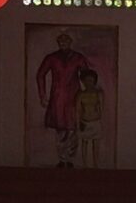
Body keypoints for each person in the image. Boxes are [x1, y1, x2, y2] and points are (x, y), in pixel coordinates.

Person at [33, 30, 95, 168]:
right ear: (58, 43)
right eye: (61, 41)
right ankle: (62, 159)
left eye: (66, 40)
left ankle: (70, 159)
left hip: (74, 96)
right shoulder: (51, 58)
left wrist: (88, 96)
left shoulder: (78, 57)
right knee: (61, 129)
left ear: (70, 42)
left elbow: (87, 76)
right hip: (58, 97)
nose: (63, 43)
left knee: (73, 127)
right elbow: (40, 75)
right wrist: (42, 96)